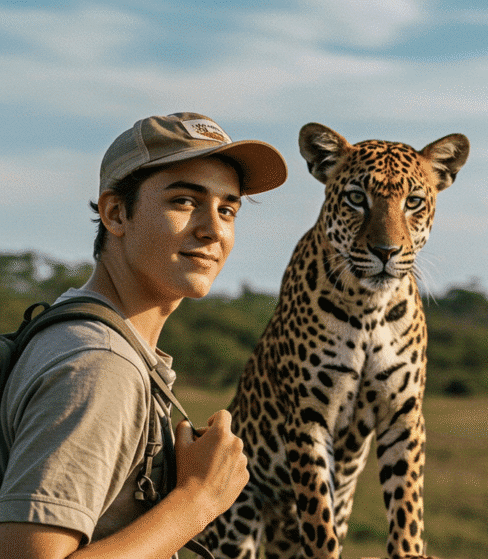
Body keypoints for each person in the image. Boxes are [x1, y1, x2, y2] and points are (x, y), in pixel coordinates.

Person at [0, 112, 288, 558]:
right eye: (185, 201)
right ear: (116, 213)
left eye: (227, 209)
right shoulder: (100, 365)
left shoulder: (76, 330)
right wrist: (198, 500)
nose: (213, 229)